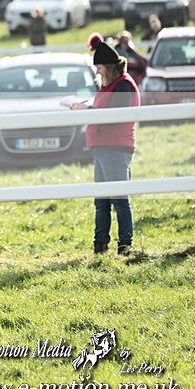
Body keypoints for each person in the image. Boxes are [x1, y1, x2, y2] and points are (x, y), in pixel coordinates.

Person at [70, 33, 140, 256]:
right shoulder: (110, 85)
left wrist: (87, 111)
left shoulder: (123, 86)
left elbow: (114, 116)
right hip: (103, 149)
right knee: (101, 201)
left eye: (99, 67)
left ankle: (125, 245)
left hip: (115, 148)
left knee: (119, 199)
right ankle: (100, 245)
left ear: (109, 66)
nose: (97, 71)